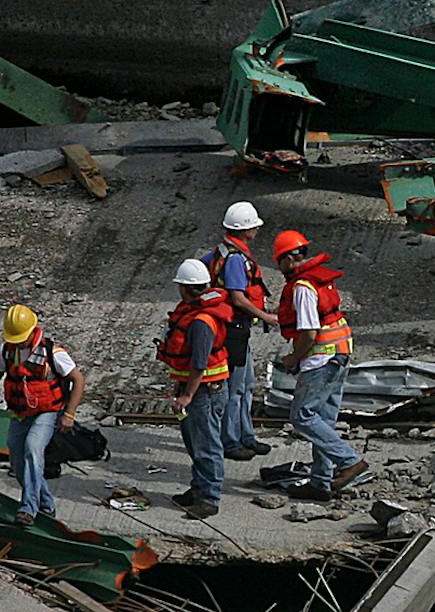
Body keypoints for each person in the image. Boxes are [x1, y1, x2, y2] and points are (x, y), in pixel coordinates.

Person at [271, 229, 368, 501]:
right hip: (340, 353)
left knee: (302, 416)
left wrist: (293, 359)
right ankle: (320, 482)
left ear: (288, 259)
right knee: (324, 420)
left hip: (321, 358)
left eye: (279, 262)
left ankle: (350, 462)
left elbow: (309, 333)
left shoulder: (302, 287)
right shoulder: (318, 279)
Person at [0, 305, 84, 527]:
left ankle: (28, 509)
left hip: (47, 412)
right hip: (20, 412)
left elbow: (78, 380)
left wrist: (69, 413)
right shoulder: (7, 350)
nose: (18, 341)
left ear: (33, 330)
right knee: (18, 461)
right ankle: (46, 504)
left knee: (33, 449)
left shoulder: (53, 353)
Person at [158, 258, 235, 519]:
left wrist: (187, 395)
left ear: (185, 288)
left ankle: (209, 498)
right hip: (196, 389)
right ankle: (199, 489)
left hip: (204, 391)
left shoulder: (202, 321)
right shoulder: (195, 312)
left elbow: (200, 364)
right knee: (195, 442)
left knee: (207, 445)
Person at [207, 200, 276, 463]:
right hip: (234, 329)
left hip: (235, 329)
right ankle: (231, 440)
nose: (257, 230)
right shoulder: (236, 259)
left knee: (246, 385)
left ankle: (246, 436)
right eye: (255, 226)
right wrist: (266, 316)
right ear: (247, 230)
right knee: (235, 388)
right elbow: (238, 298)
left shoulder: (221, 252)